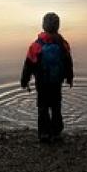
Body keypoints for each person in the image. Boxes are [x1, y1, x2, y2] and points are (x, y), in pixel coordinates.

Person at [20, 12, 74, 143]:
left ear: (43, 26)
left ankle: (44, 134)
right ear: (58, 26)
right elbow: (68, 63)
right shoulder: (63, 44)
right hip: (56, 83)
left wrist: (24, 81)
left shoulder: (36, 45)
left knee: (43, 107)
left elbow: (28, 65)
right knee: (56, 106)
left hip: (42, 83)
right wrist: (69, 78)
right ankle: (56, 133)